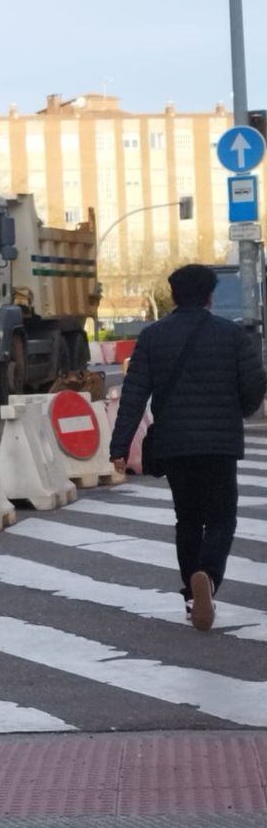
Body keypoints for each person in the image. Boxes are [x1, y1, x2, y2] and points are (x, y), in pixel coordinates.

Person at [110, 263, 266, 630]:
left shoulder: (151, 337)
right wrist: (240, 410)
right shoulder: (232, 335)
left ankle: (192, 596)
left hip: (174, 444)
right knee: (222, 517)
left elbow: (133, 396)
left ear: (174, 296)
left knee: (188, 519)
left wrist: (119, 446)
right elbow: (255, 384)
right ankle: (208, 577)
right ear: (211, 295)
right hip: (219, 443)